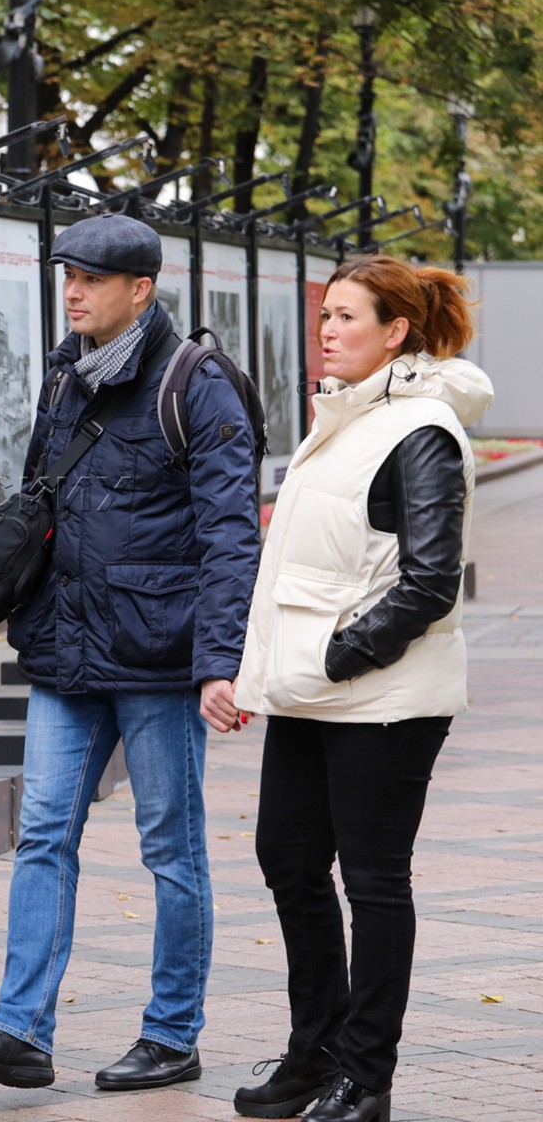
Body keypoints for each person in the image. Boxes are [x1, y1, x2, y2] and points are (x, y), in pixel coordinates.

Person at [0, 213, 261, 1092]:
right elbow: (45, 496)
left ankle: (172, 1034)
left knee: (171, 851)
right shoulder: (65, 374)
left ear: (139, 289)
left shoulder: (200, 382)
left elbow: (231, 537)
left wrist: (220, 660)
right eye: (66, 275)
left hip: (158, 655)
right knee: (41, 833)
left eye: (90, 278)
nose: (71, 291)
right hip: (66, 652)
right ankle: (18, 1031)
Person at [232, 257, 490, 1122]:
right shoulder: (340, 420)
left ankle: (365, 1078)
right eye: (326, 315)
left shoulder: (422, 431)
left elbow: (429, 582)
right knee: (289, 860)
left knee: (374, 880)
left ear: (397, 332)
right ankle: (314, 1055)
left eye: (347, 316)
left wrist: (335, 658)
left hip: (384, 697)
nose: (328, 330)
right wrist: (277, 668)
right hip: (314, 688)